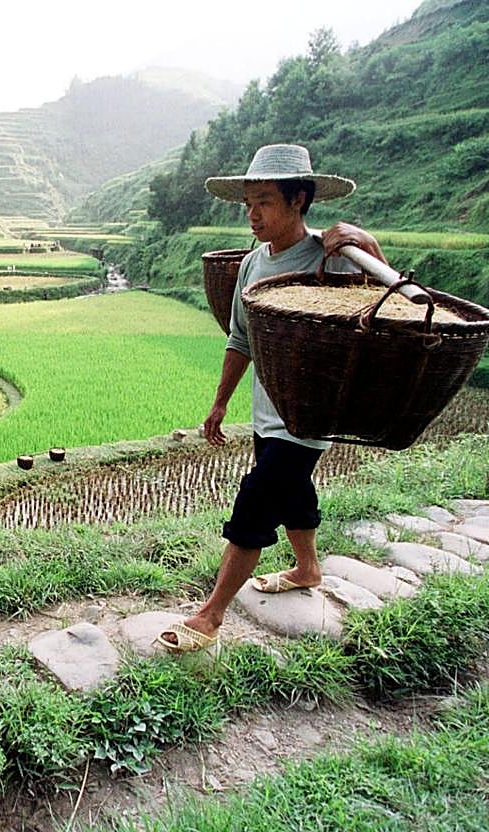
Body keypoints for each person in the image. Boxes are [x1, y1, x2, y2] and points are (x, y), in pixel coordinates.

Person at [158, 143, 386, 653]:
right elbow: (240, 339)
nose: (253, 214)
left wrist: (367, 244)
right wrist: (220, 403)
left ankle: (210, 615)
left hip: (310, 417)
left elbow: (390, 307)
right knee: (292, 491)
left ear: (299, 200)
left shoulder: (333, 261)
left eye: (264, 201)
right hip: (268, 411)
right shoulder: (253, 264)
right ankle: (308, 569)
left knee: (257, 499)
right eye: (247, 203)